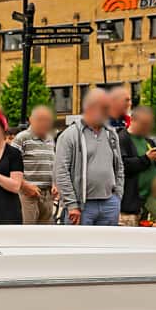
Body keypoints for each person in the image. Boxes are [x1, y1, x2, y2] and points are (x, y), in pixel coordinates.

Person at [56, 89, 124, 226]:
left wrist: (117, 197)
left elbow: (119, 166)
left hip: (109, 203)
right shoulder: (70, 135)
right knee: (79, 246)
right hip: (82, 206)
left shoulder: (111, 135)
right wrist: (72, 204)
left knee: (107, 246)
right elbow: (61, 171)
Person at [12, 105, 57, 225]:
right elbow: (8, 165)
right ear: (31, 120)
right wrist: (24, 186)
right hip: (27, 195)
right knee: (27, 235)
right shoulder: (22, 138)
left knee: (46, 236)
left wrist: (55, 184)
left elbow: (52, 165)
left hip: (47, 196)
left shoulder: (50, 139)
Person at [119, 106, 156, 225]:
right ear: (132, 120)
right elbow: (123, 166)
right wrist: (147, 158)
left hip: (150, 204)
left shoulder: (148, 141)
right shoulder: (123, 139)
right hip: (130, 207)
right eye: (143, 123)